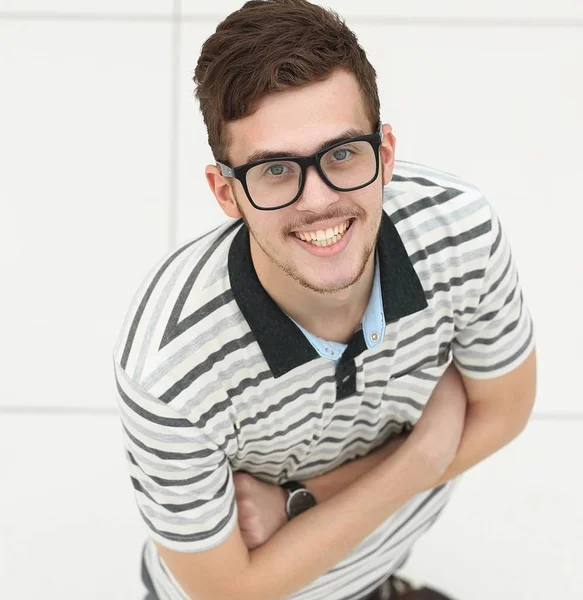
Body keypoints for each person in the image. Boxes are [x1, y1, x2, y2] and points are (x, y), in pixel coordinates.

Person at [112, 1, 537, 598]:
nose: (318, 203)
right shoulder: (170, 369)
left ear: (384, 155)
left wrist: (299, 504)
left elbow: (505, 411)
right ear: (226, 193)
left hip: (373, 569)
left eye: (341, 155)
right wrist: (421, 457)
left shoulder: (459, 233)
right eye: (276, 170)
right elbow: (229, 591)